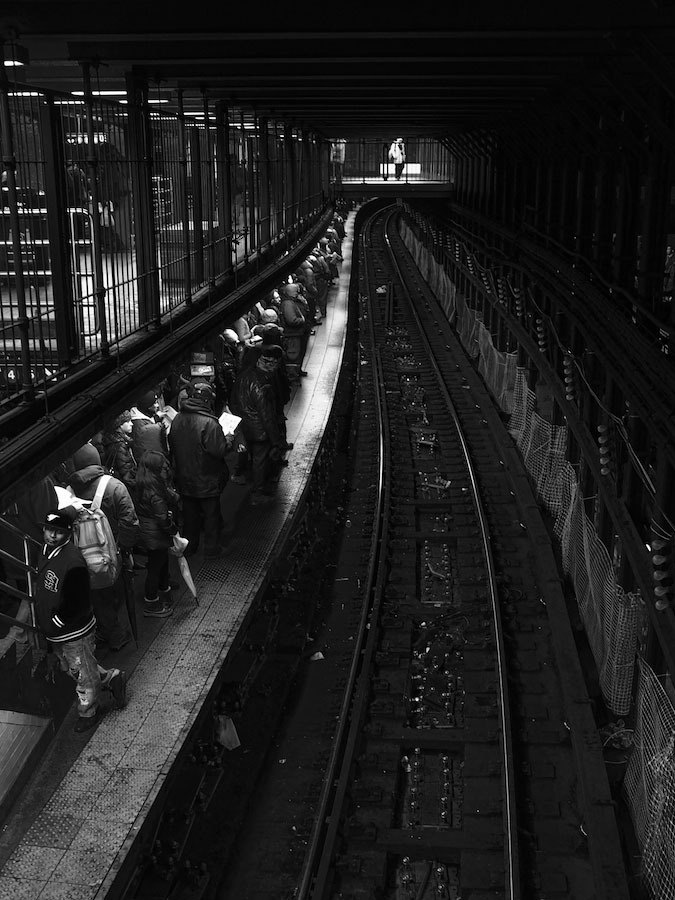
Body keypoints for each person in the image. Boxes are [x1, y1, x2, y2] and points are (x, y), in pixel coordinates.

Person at [35, 509, 127, 733]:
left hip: (72, 630)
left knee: (82, 674)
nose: (51, 535)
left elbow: (78, 600)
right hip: (56, 630)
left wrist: (58, 620)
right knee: (78, 667)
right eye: (48, 530)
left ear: (67, 533)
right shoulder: (47, 551)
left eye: (57, 532)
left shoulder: (73, 560)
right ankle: (112, 678)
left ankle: (88, 712)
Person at [67, 443, 139, 651]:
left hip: (83, 553)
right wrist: (123, 547)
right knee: (114, 592)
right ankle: (116, 634)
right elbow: (130, 522)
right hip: (113, 549)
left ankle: (103, 629)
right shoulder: (114, 486)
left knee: (97, 595)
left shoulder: (68, 490)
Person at [168, 381, 232, 557]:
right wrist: (229, 438)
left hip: (184, 478)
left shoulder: (178, 419)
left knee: (190, 517)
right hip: (207, 479)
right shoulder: (209, 423)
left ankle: (189, 548)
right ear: (206, 401)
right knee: (211, 516)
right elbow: (219, 450)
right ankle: (211, 549)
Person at [230, 346, 285, 505]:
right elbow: (266, 415)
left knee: (251, 457)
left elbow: (233, 401)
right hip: (259, 430)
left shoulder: (242, 377)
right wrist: (276, 440)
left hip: (244, 426)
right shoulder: (261, 384)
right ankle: (257, 493)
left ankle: (247, 479)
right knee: (260, 461)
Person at [133, 451, 180, 618]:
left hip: (148, 530)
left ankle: (164, 588)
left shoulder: (143, 483)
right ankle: (151, 602)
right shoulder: (154, 490)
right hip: (155, 532)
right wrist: (173, 529)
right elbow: (161, 518)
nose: (165, 469)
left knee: (159, 562)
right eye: (162, 467)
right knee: (155, 567)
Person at [101, 410, 138, 495]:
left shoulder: (114, 440)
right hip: (127, 488)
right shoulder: (120, 445)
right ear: (119, 425)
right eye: (128, 421)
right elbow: (126, 473)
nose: (131, 424)